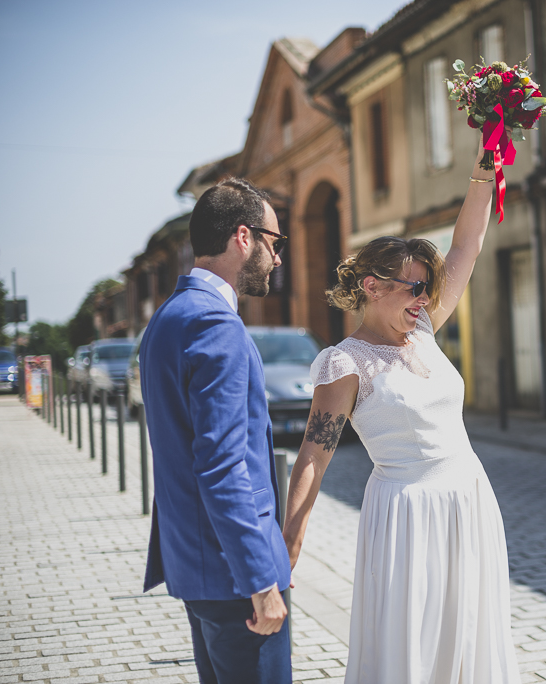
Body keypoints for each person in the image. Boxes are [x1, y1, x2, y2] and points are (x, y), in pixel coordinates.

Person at [282, 141, 520, 683]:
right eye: (414, 287)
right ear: (372, 286)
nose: (424, 296)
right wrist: (288, 541)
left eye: (427, 287)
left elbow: (468, 243)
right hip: (407, 513)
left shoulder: (423, 328)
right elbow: (313, 458)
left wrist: (487, 163)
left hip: (469, 498)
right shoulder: (345, 363)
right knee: (414, 643)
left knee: (470, 631)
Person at [140, 178, 293, 684]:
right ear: (243, 238)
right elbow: (223, 467)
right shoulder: (216, 327)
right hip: (235, 577)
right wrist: (259, 579)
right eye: (275, 243)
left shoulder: (168, 318)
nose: (277, 259)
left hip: (195, 568)